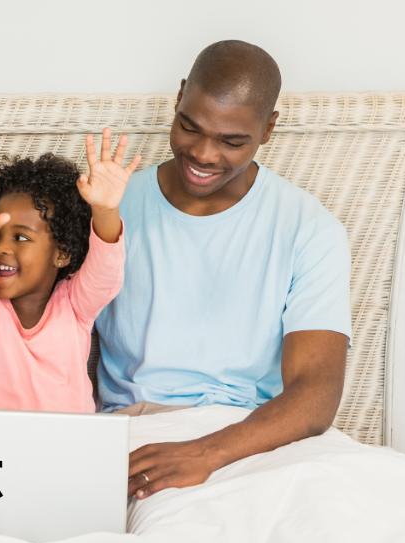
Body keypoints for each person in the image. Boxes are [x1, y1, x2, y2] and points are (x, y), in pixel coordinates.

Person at [92, 40, 351, 499]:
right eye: (190, 128)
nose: (205, 155)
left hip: (255, 437)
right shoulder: (111, 204)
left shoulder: (308, 227)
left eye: (232, 141)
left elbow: (316, 393)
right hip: (138, 429)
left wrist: (206, 453)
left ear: (268, 129)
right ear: (178, 97)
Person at [0, 130, 138, 412]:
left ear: (61, 253)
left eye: (21, 237)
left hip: (66, 444)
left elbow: (105, 273)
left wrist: (105, 209)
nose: (1, 247)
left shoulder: (75, 306)